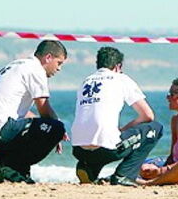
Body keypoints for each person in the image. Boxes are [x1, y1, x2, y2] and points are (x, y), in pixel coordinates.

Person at [0, 39, 68, 183]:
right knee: (56, 127)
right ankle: (5, 166)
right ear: (48, 57)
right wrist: (57, 131)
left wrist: (44, 126)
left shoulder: (16, 65)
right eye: (59, 63)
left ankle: (4, 166)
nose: (59, 69)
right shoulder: (35, 69)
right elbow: (44, 108)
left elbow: (21, 113)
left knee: (35, 128)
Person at [69, 46, 162, 186]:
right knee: (155, 128)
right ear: (118, 66)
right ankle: (124, 175)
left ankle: (89, 168)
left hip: (78, 149)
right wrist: (124, 129)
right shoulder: (120, 78)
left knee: (103, 138)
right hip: (106, 150)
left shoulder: (86, 81)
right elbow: (148, 115)